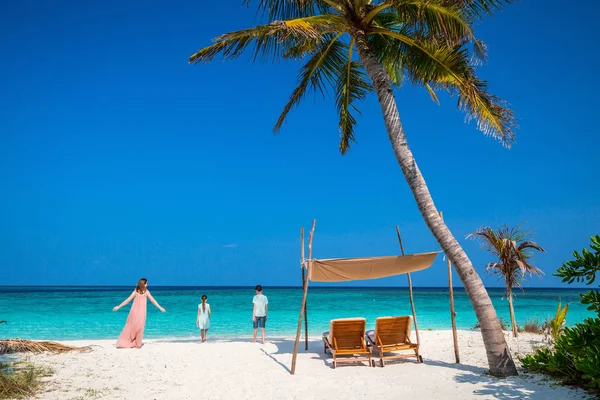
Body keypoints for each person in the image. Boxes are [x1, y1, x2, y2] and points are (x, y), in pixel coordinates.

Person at [113, 278, 165, 348]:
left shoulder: (136, 291)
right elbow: (152, 300)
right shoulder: (146, 291)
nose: (147, 284)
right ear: (144, 284)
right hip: (141, 313)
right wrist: (160, 307)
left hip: (133, 312)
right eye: (147, 283)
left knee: (131, 326)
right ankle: (137, 344)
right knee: (140, 327)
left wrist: (119, 306)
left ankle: (129, 342)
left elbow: (128, 300)